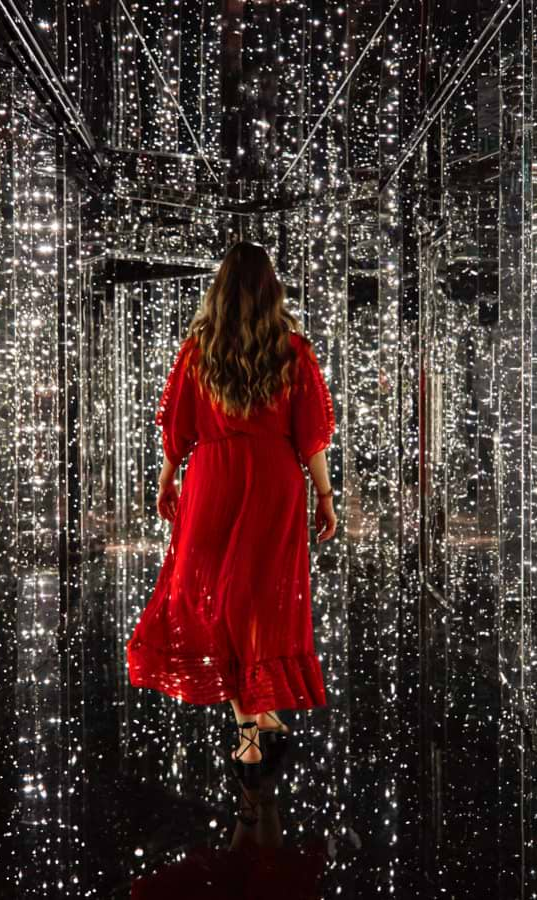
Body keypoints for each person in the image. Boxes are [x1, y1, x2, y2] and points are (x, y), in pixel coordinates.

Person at [126, 242, 338, 789]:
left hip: (214, 478)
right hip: (274, 480)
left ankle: (252, 719)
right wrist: (324, 496)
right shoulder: (293, 349)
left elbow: (178, 426)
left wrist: (167, 478)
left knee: (215, 597)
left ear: (219, 291)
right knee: (260, 598)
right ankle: (253, 724)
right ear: (272, 290)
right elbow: (310, 433)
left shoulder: (199, 350)